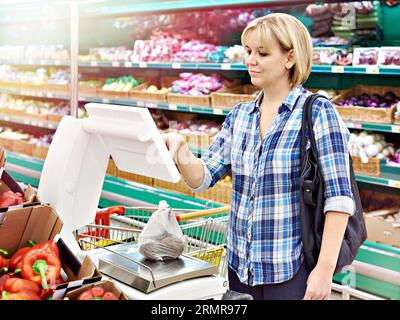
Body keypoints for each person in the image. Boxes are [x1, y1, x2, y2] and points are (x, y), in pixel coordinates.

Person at [162, 13, 354, 300]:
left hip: (290, 269)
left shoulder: (317, 113)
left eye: (262, 53)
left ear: (290, 58)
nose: (250, 60)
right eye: (248, 51)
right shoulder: (239, 116)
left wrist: (324, 271)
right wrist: (181, 150)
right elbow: (202, 177)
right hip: (240, 268)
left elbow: (339, 199)